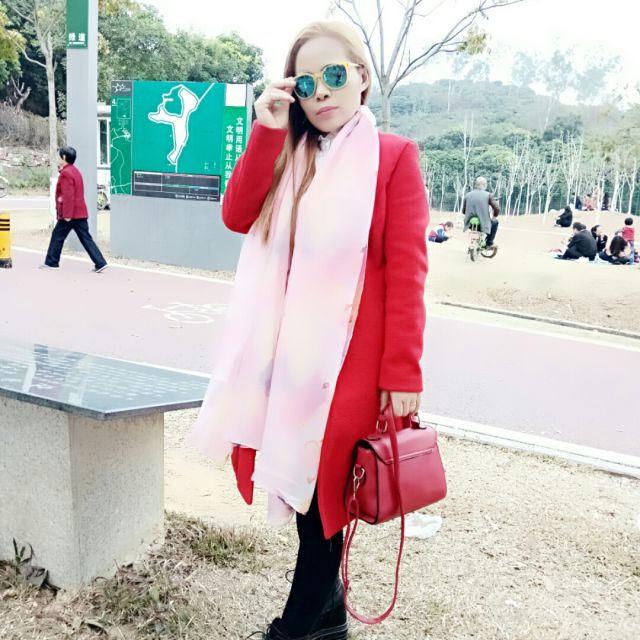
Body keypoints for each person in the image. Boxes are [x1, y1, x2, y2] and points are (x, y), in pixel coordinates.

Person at [187, 21, 428, 640]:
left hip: (350, 368)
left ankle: (294, 630)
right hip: (287, 361)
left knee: (326, 500)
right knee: (304, 490)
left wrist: (403, 373)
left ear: (362, 77)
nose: (321, 92)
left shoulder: (393, 158)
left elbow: (408, 272)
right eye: (306, 82)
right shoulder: (289, 154)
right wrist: (267, 130)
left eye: (335, 75)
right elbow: (238, 214)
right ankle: (329, 617)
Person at [41, 146, 108, 272]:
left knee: (57, 236)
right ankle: (100, 262)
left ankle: (52, 262)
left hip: (70, 214)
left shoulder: (66, 173)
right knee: (86, 238)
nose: (57, 158)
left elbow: (68, 196)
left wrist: (66, 214)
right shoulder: (75, 171)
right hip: (80, 212)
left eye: (58, 156)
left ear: (64, 157)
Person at [463, 176, 500, 249]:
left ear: (475, 184)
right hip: (483, 224)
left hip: (469, 223)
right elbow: (497, 208)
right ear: (485, 185)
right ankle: (489, 243)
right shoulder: (488, 195)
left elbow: (464, 211)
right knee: (495, 222)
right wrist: (494, 215)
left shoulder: (468, 195)